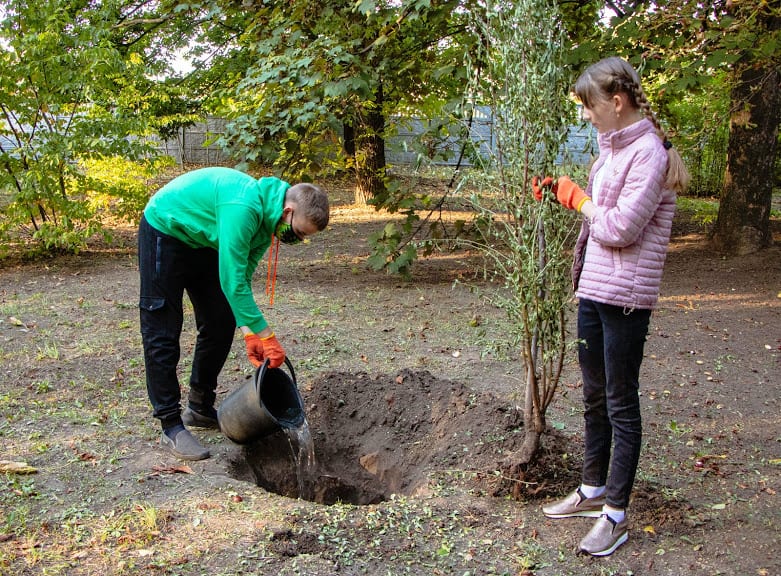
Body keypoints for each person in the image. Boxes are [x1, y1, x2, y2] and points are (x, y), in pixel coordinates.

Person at [532, 57, 689, 556]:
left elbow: (620, 227)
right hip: (595, 290)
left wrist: (578, 200)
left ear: (616, 102)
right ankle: (592, 487)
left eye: (589, 105)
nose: (586, 115)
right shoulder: (612, 149)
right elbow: (601, 217)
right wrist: (565, 194)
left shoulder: (650, 154)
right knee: (594, 397)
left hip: (626, 299)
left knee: (621, 403)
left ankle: (615, 515)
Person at [138, 167, 329, 461]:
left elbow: (243, 274)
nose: (298, 239)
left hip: (203, 242)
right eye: (300, 232)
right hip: (167, 229)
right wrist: (267, 335)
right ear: (288, 211)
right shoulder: (244, 208)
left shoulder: (268, 221)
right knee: (162, 329)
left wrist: (248, 330)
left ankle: (199, 407)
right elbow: (231, 279)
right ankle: (171, 425)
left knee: (220, 319)